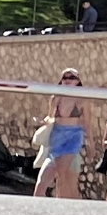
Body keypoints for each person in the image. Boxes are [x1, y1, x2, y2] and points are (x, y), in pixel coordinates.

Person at [37, 70, 89, 198]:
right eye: (64, 77)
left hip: (73, 136)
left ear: (77, 81)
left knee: (62, 172)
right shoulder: (56, 97)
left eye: (71, 77)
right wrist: (43, 122)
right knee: (46, 181)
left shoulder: (82, 100)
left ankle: (66, 206)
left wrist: (91, 144)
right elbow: (50, 117)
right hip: (57, 136)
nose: (67, 80)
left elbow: (87, 124)